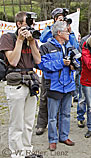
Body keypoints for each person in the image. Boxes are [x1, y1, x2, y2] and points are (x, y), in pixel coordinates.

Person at [0, 11, 42, 158]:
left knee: (29, 122)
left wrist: (31, 42)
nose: (32, 26)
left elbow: (38, 61)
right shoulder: (7, 38)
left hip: (31, 82)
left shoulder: (33, 39)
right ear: (19, 24)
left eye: (32, 23)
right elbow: (12, 61)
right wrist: (19, 40)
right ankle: (17, 154)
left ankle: (26, 151)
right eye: (28, 23)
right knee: (17, 124)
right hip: (16, 83)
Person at [36, 7, 79, 135]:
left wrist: (70, 33)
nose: (62, 20)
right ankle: (41, 124)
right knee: (45, 98)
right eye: (60, 17)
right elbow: (43, 38)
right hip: (50, 72)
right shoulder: (50, 29)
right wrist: (55, 26)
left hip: (65, 74)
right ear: (55, 18)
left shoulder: (67, 32)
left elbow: (75, 47)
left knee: (63, 101)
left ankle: (60, 127)